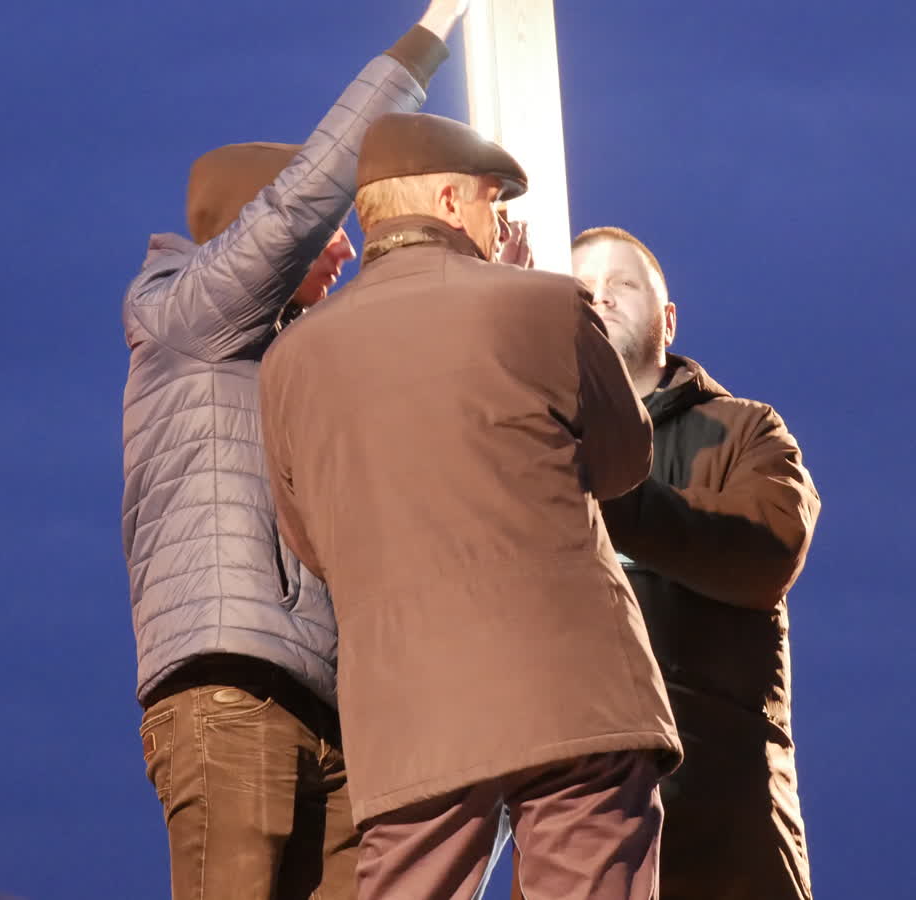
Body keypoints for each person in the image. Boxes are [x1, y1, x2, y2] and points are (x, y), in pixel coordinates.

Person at [258, 112, 681, 900]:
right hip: (572, 687)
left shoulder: (289, 361)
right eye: (493, 202)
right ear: (450, 202)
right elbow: (626, 459)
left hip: (407, 710)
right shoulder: (547, 305)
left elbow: (309, 541)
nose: (500, 224)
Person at [119, 5, 470, 897]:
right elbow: (296, 206)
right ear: (250, 230)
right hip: (235, 697)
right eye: (328, 229)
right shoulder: (184, 321)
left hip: (340, 719)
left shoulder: (303, 364)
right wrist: (425, 43)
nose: (345, 245)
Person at [563, 226, 823, 899]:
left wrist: (607, 497)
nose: (601, 297)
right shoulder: (534, 445)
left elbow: (767, 549)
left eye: (622, 285)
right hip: (576, 808)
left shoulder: (746, 430)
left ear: (669, 320)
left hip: (724, 813)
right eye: (583, 289)